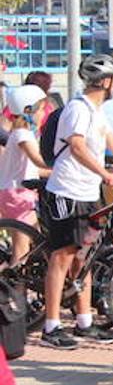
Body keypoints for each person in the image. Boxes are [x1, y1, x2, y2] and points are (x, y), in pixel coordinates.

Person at [39, 55, 113, 349]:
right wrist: (105, 173)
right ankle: (51, 326)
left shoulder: (96, 111)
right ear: (106, 82)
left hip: (87, 193)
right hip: (67, 190)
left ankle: (84, 322)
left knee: (83, 257)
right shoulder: (77, 109)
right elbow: (76, 147)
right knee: (62, 255)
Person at [0, 85, 51, 267]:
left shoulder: (17, 134)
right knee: (22, 251)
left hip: (13, 193)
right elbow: (38, 161)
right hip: (18, 195)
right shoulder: (23, 135)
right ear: (28, 110)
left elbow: (33, 169)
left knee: (27, 244)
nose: (43, 114)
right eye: (42, 109)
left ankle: (17, 286)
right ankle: (17, 292)